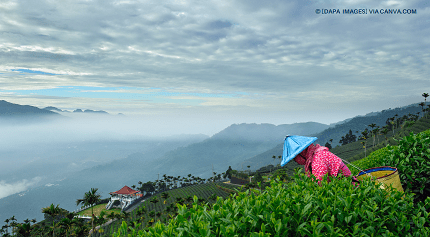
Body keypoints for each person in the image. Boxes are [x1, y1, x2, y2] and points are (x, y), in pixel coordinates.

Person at [281, 135, 354, 185]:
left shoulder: (318, 159)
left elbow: (319, 183)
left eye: (295, 158)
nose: (296, 161)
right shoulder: (316, 153)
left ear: (301, 153)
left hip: (349, 186)